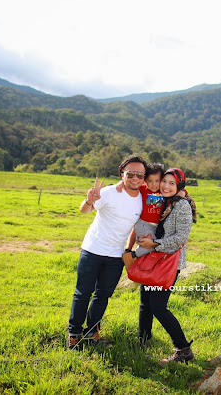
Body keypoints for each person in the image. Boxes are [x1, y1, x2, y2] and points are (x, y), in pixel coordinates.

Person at [67, 155, 148, 350]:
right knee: (83, 293)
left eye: (140, 175)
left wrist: (130, 249)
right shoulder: (109, 192)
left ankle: (92, 332)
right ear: (122, 174)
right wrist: (89, 200)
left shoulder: (143, 198)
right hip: (93, 250)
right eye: (130, 174)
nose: (135, 178)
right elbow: (84, 210)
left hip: (116, 256)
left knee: (103, 295)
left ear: (144, 178)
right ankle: (73, 334)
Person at [124, 168, 198, 365]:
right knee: (145, 303)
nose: (165, 186)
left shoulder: (181, 205)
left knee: (158, 306)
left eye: (171, 183)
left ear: (179, 185)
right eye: (163, 181)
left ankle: (183, 349)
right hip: (153, 259)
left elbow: (181, 237)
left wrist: (154, 243)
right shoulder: (164, 201)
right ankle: (143, 342)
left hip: (167, 262)